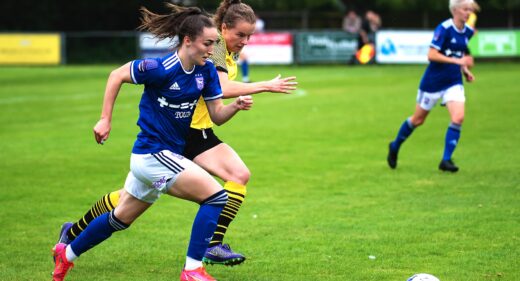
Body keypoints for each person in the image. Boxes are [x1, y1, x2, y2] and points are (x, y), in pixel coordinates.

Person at [54, 0, 297, 269]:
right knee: (218, 188)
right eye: (240, 34)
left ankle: (72, 234)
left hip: (199, 129)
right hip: (184, 132)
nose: (245, 41)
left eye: (249, 36)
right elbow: (223, 87)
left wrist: (236, 106)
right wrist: (264, 86)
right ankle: (209, 248)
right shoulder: (212, 50)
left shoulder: (220, 51)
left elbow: (216, 103)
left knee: (130, 198)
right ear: (223, 28)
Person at [386, 0, 477, 172]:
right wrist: (458, 61)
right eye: (465, 9)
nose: (468, 13)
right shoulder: (444, 29)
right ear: (455, 10)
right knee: (418, 120)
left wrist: (464, 70)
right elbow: (431, 54)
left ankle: (446, 160)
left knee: (458, 118)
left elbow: (459, 52)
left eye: (470, 9)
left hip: (453, 82)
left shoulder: (468, 32)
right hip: (433, 82)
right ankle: (395, 145)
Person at [239, 13, 264, 83]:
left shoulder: (249, 24)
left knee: (244, 60)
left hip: (244, 43)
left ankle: (245, 78)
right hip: (241, 42)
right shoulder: (243, 24)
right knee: (243, 59)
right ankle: (244, 79)